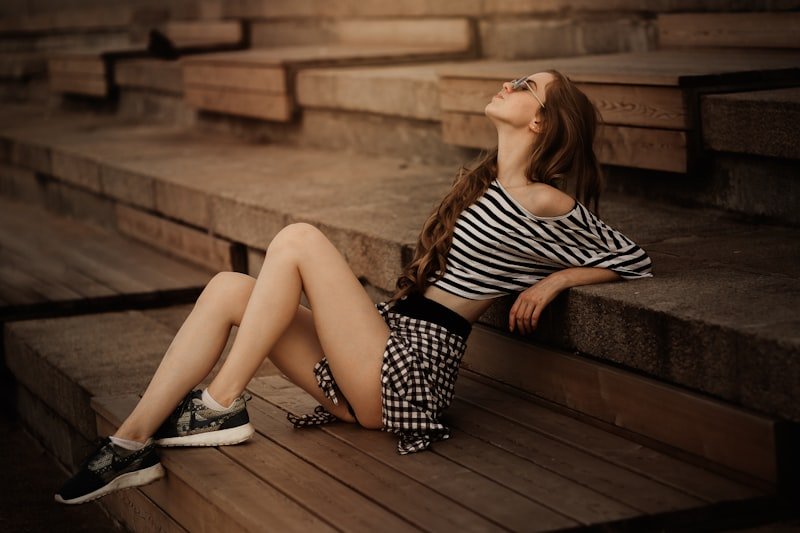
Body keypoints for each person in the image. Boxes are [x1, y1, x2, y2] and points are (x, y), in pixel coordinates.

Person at [55, 70, 652, 505]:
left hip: (406, 373)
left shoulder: (543, 198)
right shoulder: (485, 183)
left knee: (298, 240)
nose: (508, 83)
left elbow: (632, 257)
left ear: (542, 119)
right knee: (229, 286)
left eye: (525, 84)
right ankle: (127, 447)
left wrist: (557, 282)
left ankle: (219, 405)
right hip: (382, 351)